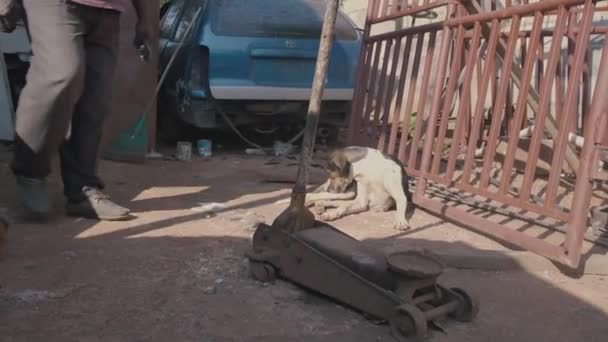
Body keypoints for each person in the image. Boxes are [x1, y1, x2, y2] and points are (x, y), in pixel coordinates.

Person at [0, 0, 154, 221]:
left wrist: (146, 18)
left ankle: (83, 190)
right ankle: (30, 170)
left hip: (108, 11)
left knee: (96, 97)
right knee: (61, 74)